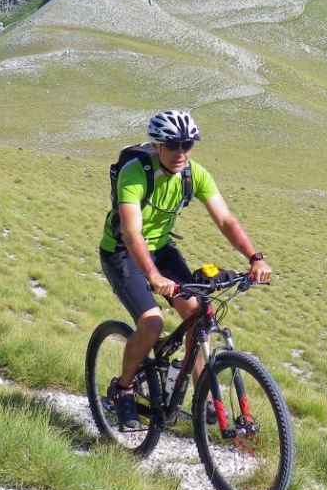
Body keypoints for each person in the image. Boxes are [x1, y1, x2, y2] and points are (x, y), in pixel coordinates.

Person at [99, 109, 272, 429]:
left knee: (196, 316)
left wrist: (254, 257)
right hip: (123, 252)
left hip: (162, 250)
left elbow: (225, 220)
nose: (181, 152)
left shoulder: (195, 175)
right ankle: (122, 391)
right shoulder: (136, 173)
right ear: (157, 145)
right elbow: (131, 232)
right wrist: (153, 276)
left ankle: (202, 397)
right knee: (151, 323)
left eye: (187, 145)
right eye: (173, 145)